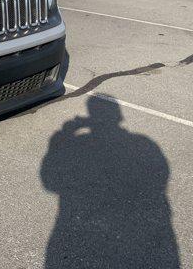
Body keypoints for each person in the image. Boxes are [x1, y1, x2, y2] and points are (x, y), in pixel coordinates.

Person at [41, 96, 180, 268]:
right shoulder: (144, 143)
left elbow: (49, 181)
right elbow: (161, 177)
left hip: (80, 228)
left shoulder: (81, 142)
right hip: (148, 231)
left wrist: (64, 133)